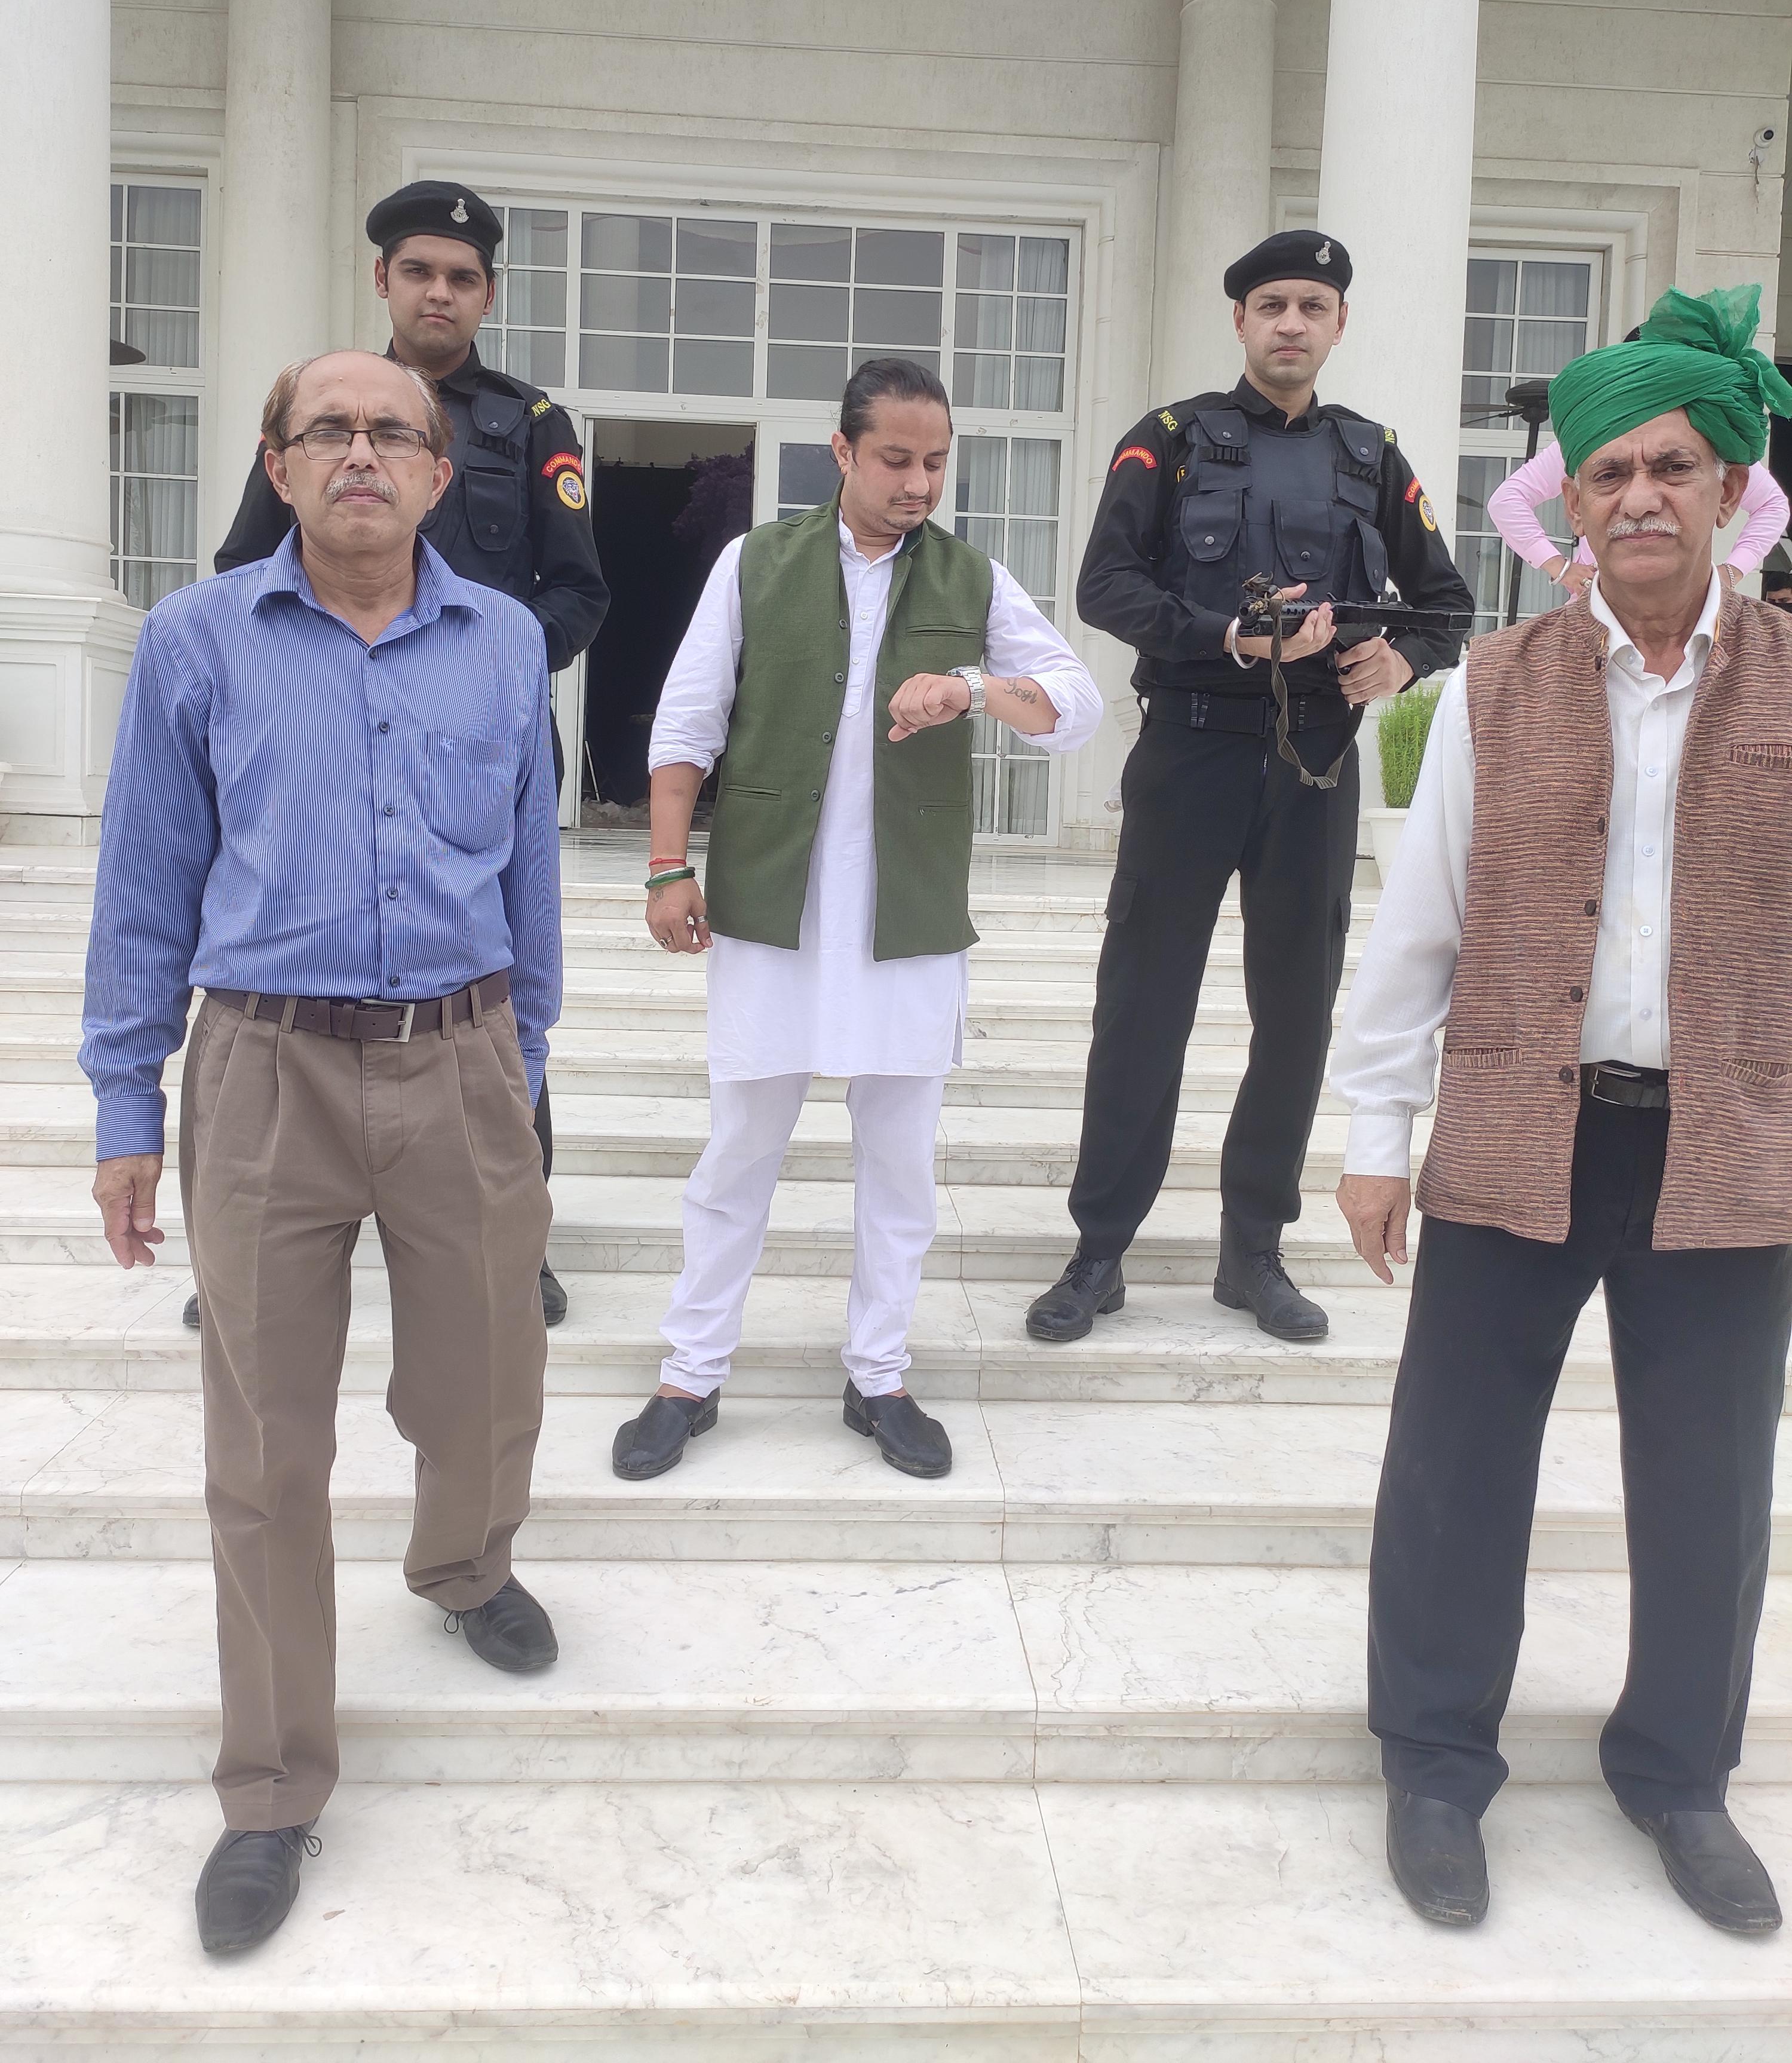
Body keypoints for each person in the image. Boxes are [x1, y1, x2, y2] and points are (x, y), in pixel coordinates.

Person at [81, 351, 564, 1957]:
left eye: (392, 432)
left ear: (437, 471)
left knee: (485, 1377)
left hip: (463, 1059)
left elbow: (531, 872)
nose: (362, 452)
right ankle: (274, 1787)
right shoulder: (195, 640)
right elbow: (144, 881)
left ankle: (464, 1562)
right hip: (264, 1073)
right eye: (328, 430)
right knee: (265, 1445)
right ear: (278, 464)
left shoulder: (503, 644)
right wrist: (127, 1107)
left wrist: (522, 1071)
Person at [1332, 283, 1792, 1935]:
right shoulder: (1489, 687)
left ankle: (1677, 1772)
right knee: (1454, 1459)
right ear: (1571, 505)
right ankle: (1434, 1760)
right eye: (1608, 472)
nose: (1640, 496)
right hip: (1518, 1123)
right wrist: (1374, 1134)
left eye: (1670, 466)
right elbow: (1421, 926)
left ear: (1728, 485)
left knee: (1710, 1480)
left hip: (1726, 1139)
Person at [610, 358, 1102, 1483]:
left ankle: (879, 1373)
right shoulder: (755, 563)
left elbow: (1075, 709)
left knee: (900, 1164)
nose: (919, 483)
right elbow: (687, 721)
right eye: (895, 459)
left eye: (936, 463)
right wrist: (665, 869)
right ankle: (691, 1373)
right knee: (738, 1152)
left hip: (906, 918)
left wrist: (973, 688)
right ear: (841, 452)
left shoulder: (973, 578)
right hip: (770, 908)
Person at [1026, 231, 1473, 1349]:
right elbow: (1105, 586)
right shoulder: (1172, 440)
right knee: (1143, 1002)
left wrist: (1401, 661)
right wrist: (1226, 637)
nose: (1290, 323)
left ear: (1338, 324)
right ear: (1239, 320)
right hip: (1191, 749)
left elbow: (1446, 606)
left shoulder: (1373, 456)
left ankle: (1254, 1250)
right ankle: (1099, 1250)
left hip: (1315, 761)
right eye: (1271, 304)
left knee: (1296, 1011)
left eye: (1312, 306)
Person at [207, 179, 605, 1330]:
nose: (441, 293)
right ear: (383, 279)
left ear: (489, 296)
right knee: (298, 957)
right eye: (420, 271)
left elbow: (578, 590)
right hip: (322, 741)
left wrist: (483, 667)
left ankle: (514, 1236)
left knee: (492, 970)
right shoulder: (324, 408)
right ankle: (249, 1232)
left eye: (463, 278)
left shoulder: (532, 425)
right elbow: (241, 571)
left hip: (478, 748)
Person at [1487, 427, 1787, 599]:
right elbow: (1507, 501)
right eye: (1609, 475)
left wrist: (1733, 571)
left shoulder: (1707, 438)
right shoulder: (1590, 436)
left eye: (1676, 469)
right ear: (1574, 503)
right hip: (1597, 609)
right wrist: (1559, 567)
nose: (1640, 503)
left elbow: (1772, 505)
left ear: (1728, 492)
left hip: (1693, 607)